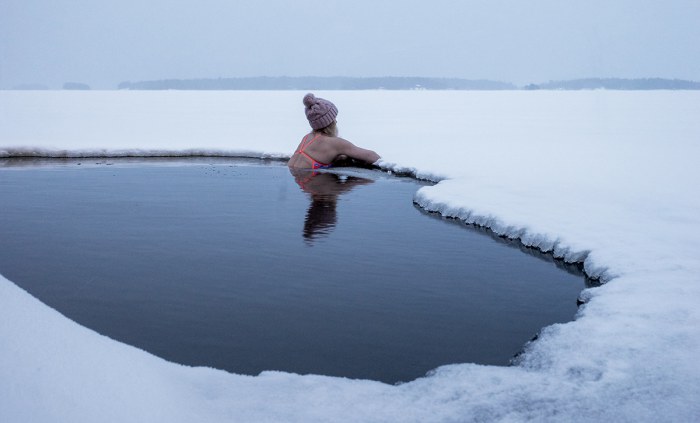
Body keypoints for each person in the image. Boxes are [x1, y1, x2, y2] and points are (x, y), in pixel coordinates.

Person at [288, 93, 380, 170]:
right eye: (334, 119)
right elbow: (372, 156)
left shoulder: (307, 138)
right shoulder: (335, 143)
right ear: (329, 122)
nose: (336, 121)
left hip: (299, 183)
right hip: (314, 185)